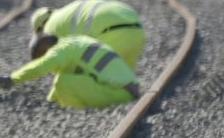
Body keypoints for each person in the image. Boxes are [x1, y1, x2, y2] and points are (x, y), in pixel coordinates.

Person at [10, 32, 142, 108]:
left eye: (40, 57)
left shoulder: (59, 51)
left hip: (119, 92)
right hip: (127, 89)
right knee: (65, 77)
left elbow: (40, 67)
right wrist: (50, 102)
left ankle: (77, 111)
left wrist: (11, 79)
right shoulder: (74, 42)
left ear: (46, 50)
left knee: (64, 81)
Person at [30, 0, 144, 67]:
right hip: (137, 28)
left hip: (110, 34)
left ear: (41, 26)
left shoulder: (50, 28)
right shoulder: (66, 12)